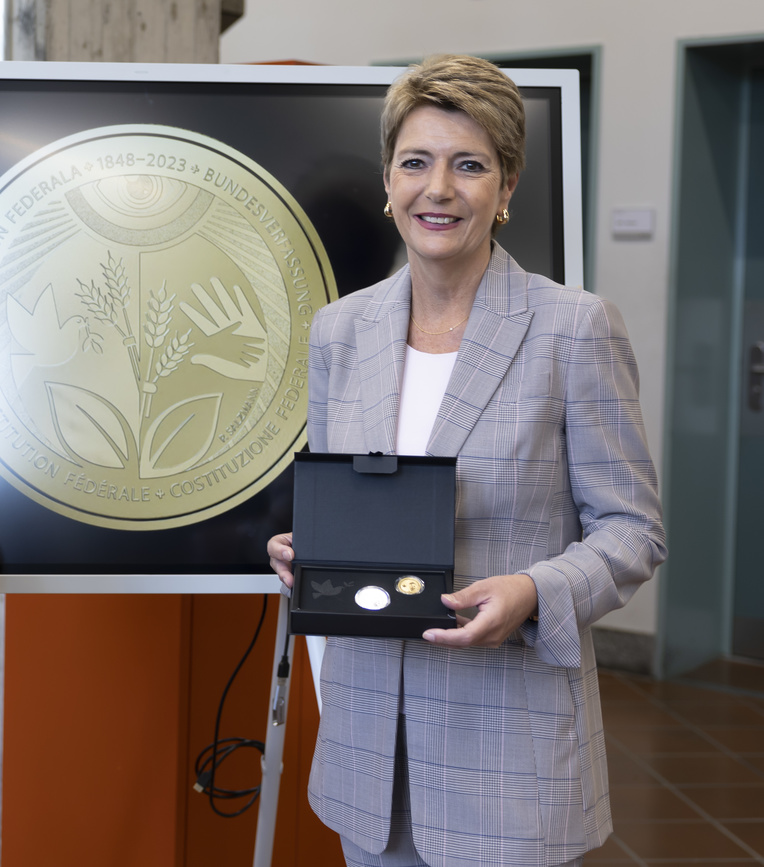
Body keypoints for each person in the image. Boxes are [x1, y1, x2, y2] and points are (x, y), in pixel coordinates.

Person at [267, 56, 666, 867]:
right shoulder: (340, 331)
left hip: (508, 753)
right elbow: (351, 497)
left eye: (469, 164)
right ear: (389, 181)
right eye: (416, 162)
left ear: (507, 187)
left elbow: (633, 530)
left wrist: (533, 590)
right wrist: (311, 551)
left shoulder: (575, 328)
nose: (438, 188)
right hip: (366, 750)